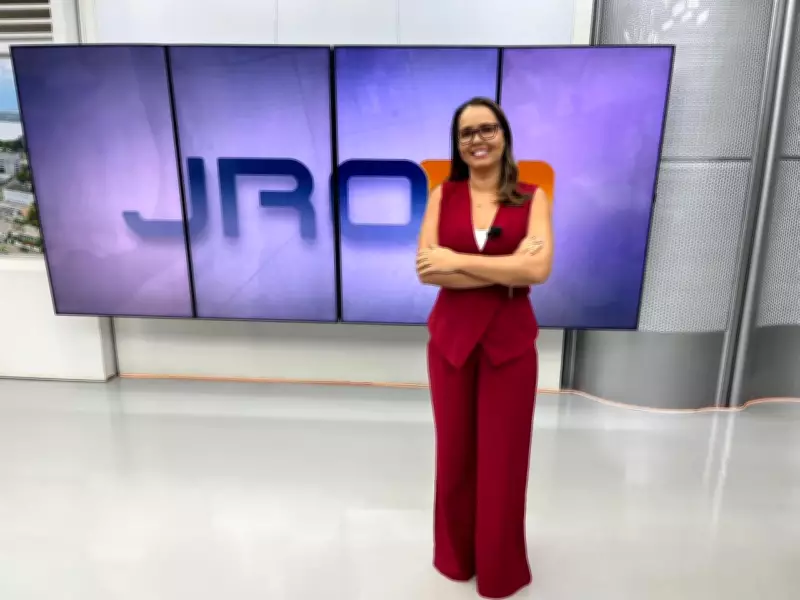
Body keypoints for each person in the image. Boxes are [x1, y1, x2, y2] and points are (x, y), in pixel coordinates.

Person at [415, 97, 553, 599]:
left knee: (503, 461)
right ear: (457, 144)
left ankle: (500, 568)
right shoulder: (442, 195)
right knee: (454, 456)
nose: (477, 140)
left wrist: (458, 260)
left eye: (487, 129)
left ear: (504, 135)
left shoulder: (532, 197)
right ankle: (455, 559)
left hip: (509, 345)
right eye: (466, 132)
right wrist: (506, 268)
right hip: (451, 343)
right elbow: (428, 270)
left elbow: (537, 270)